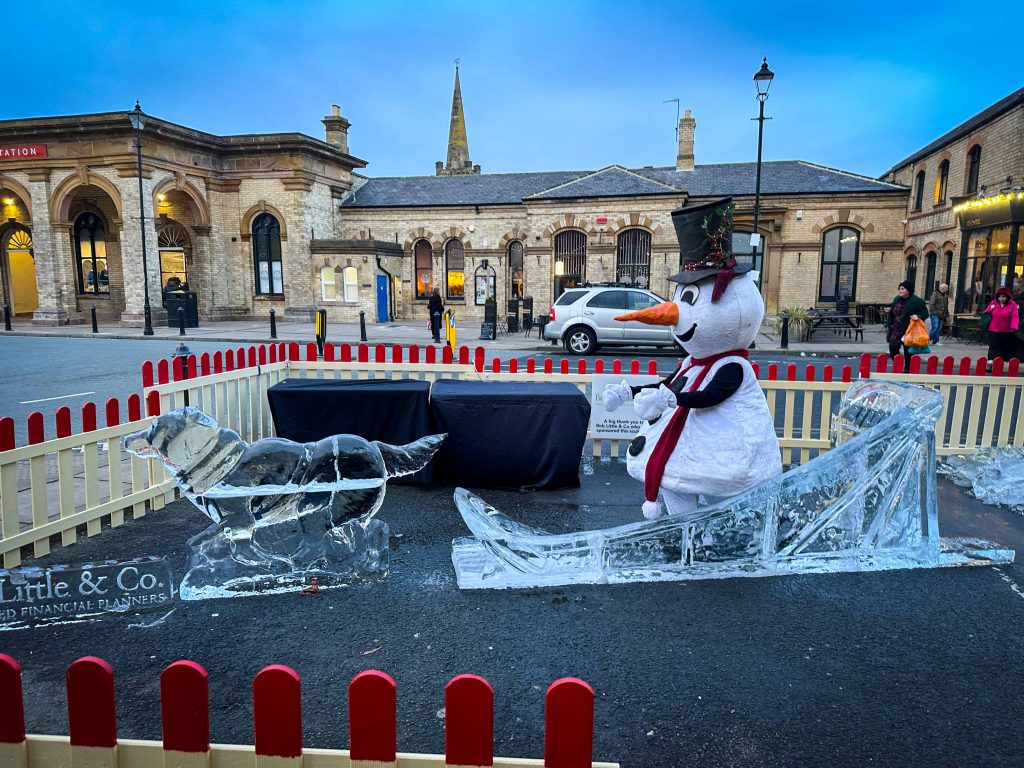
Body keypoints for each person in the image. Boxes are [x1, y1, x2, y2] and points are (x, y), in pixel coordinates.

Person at [884, 280, 928, 368]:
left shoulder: (917, 301)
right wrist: (889, 323)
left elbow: (925, 313)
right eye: (899, 289)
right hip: (895, 328)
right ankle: (898, 364)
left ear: (909, 290)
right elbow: (892, 312)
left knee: (908, 352)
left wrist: (918, 316)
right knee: (892, 348)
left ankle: (907, 369)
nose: (900, 291)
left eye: (902, 289)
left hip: (909, 329)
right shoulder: (897, 299)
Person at [983, 287, 1019, 362]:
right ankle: (990, 362)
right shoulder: (993, 303)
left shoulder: (1012, 304)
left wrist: (1014, 326)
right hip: (992, 329)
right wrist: (990, 309)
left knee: (1002, 347)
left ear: (1007, 297)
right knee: (993, 346)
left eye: (1003, 297)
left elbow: (1015, 317)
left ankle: (999, 362)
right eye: (999, 297)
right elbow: (986, 313)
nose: (1001, 299)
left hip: (1005, 330)